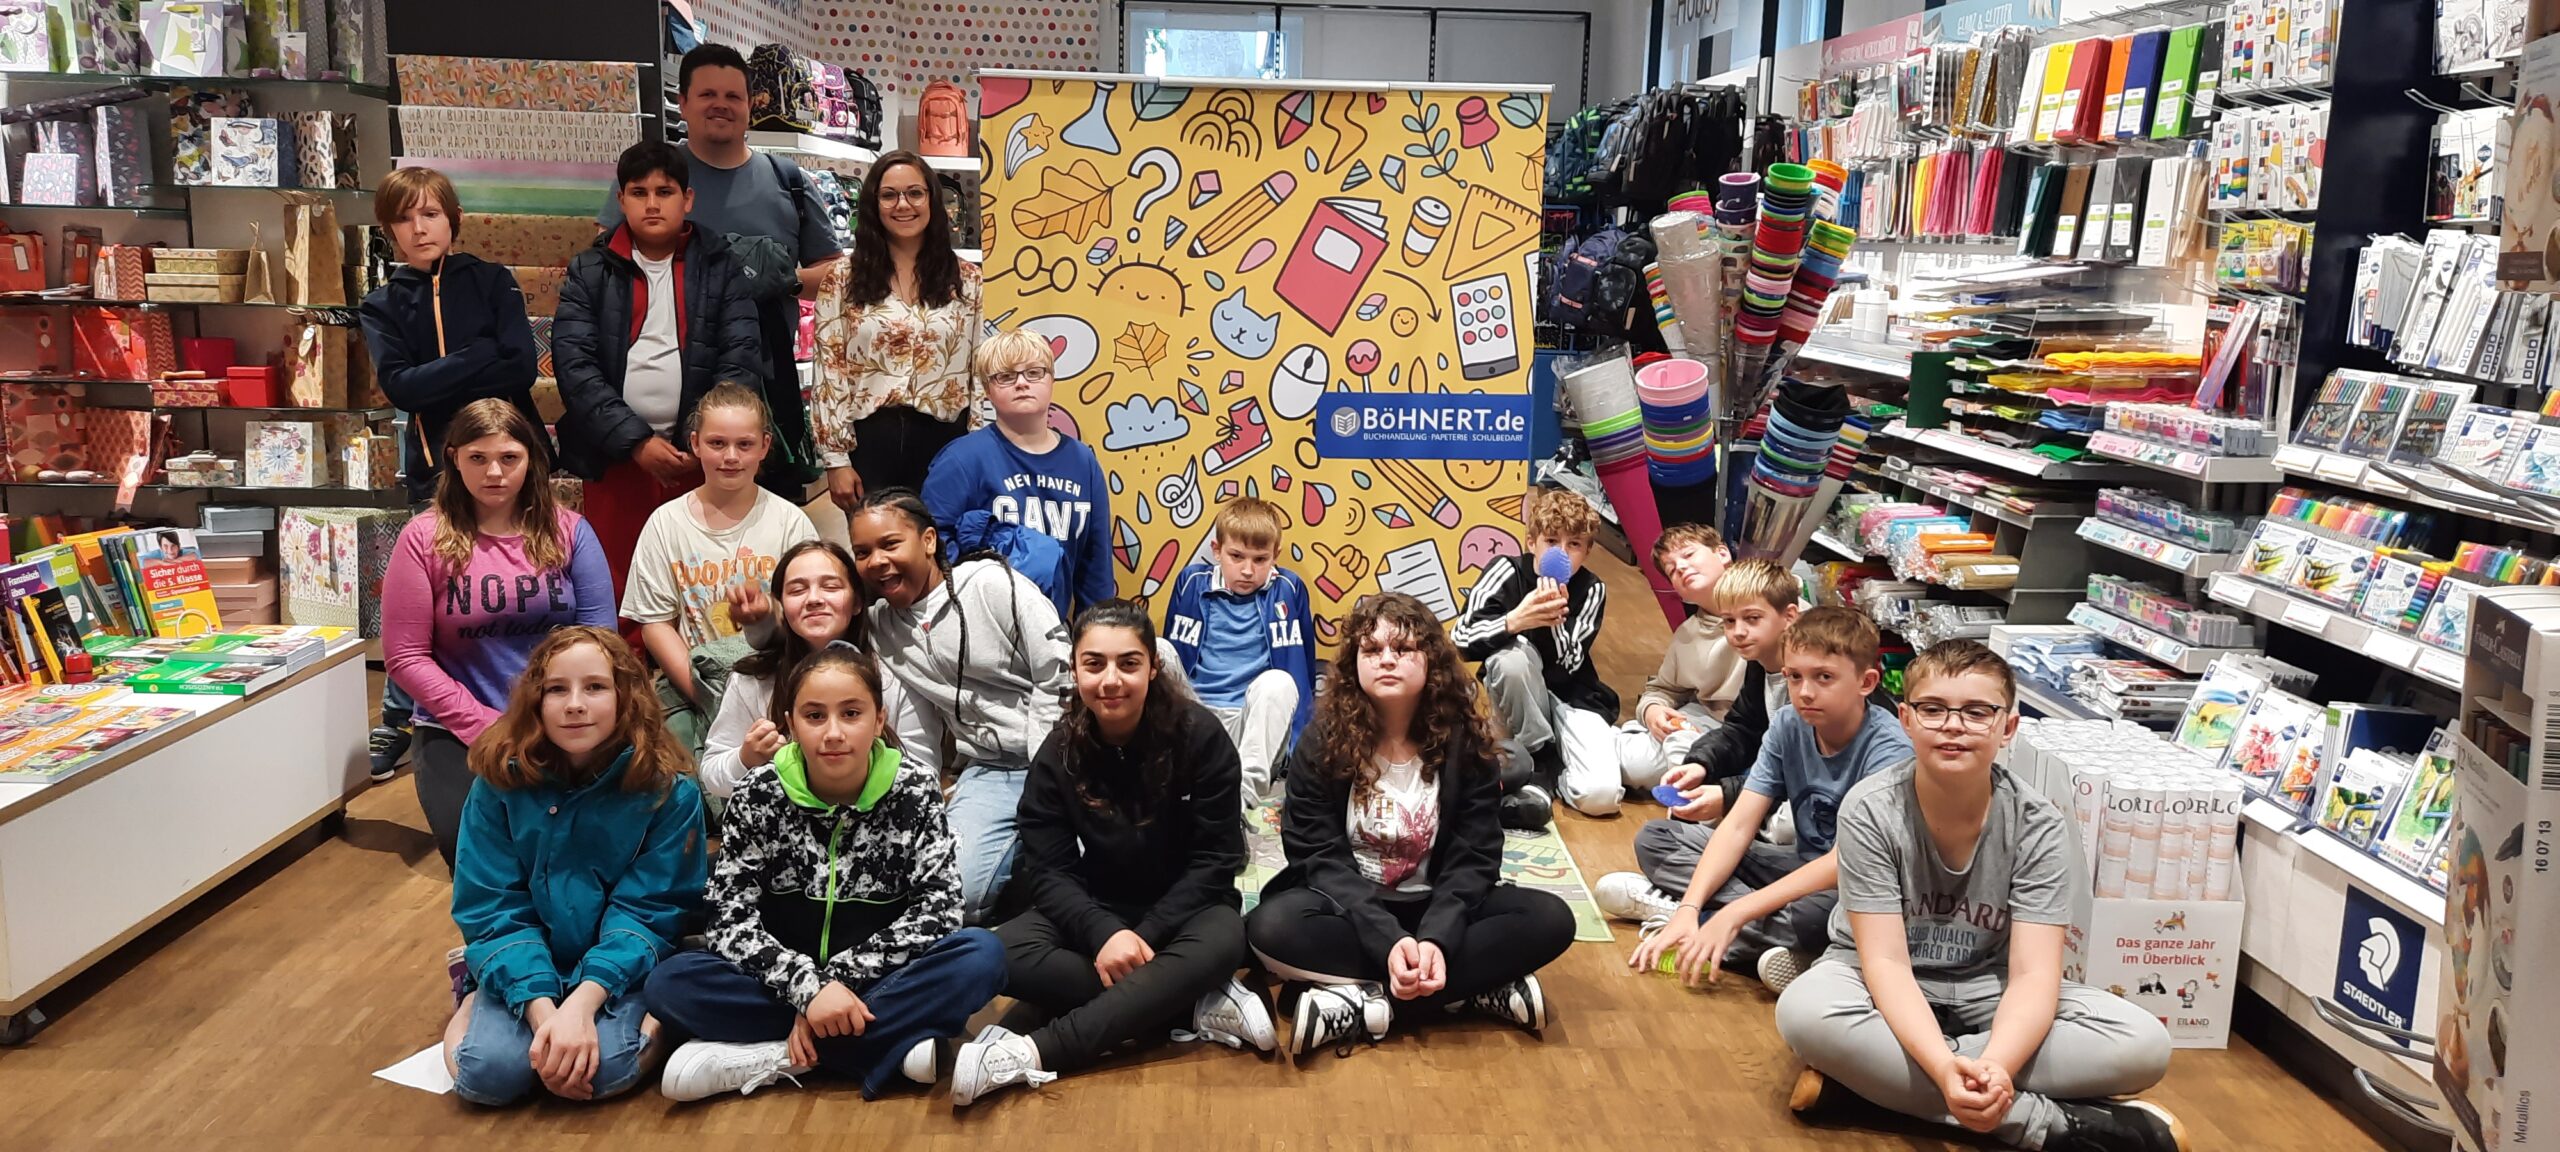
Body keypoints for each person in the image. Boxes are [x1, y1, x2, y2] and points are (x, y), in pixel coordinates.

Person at [1778, 640, 2184, 1152]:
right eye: (1933, 709)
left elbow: (2034, 974)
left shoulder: (2038, 824)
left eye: (1976, 712)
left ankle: (1873, 1087)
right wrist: (1945, 1069)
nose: (1953, 726)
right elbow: (1886, 963)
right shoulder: (1871, 809)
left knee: (2142, 1044)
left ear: (2007, 727)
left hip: (1990, 987)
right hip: (1871, 978)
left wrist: (1995, 1065)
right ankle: (2041, 1123)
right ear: (1906, 720)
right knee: (1804, 1012)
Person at [644, 645, 1007, 1102]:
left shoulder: (914, 789)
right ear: (791, 724)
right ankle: (883, 1047)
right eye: (815, 716)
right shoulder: (758, 793)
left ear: (879, 720)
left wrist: (837, 982)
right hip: (781, 980)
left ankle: (782, 1055)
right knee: (669, 983)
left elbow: (940, 911)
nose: (833, 732)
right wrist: (808, 990)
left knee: (982, 956)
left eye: (851, 713)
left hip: (878, 978)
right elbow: (729, 920)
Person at [957, 601, 1274, 1105]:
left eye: (1128, 663)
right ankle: (1188, 1002)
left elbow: (1217, 860)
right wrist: (1104, 932)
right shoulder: (1059, 751)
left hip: (1189, 912)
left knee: (1225, 942)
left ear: (1153, 667)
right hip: (1098, 908)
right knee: (999, 953)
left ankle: (1032, 1051)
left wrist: (1141, 937)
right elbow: (1049, 871)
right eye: (1094, 664)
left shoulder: (1201, 737)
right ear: (1075, 669)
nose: (1111, 680)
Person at [1246, 592, 1574, 1058]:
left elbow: (1475, 855)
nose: (1386, 660)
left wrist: (1438, 938)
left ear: (1431, 661)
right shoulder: (1323, 740)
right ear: (1354, 663)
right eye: (1371, 649)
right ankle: (1469, 993)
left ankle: (1362, 1004)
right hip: (1350, 909)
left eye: (1402, 649)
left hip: (1436, 904)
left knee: (1550, 919)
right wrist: (1387, 940)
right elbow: (1316, 855)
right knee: (1270, 927)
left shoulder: (1464, 742)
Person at [443, 626, 707, 1106]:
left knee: (606, 1070)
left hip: (618, 967)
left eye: (595, 687)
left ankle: (655, 1018)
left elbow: (651, 911)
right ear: (535, 701)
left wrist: (584, 1003)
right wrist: (545, 1016)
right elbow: (490, 906)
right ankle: (474, 990)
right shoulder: (499, 783)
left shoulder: (669, 791)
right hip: (527, 955)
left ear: (626, 697)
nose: (575, 705)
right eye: (557, 690)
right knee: (486, 1077)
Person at [360, 166, 554, 782]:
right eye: (405, 218)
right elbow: (401, 387)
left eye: (430, 214)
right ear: (389, 229)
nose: (420, 228)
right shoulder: (382, 304)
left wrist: (440, 374)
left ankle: (530, 699)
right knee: (431, 600)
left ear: (453, 218)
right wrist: (477, 355)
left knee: (521, 580)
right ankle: (404, 720)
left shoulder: (491, 281)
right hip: (434, 467)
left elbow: (520, 367)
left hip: (514, 457)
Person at [1622, 607, 1913, 992]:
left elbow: (1843, 863)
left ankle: (1705, 923)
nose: (1805, 691)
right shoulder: (1788, 723)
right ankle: (1722, 927)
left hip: (1855, 884)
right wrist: (1691, 905)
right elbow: (1739, 824)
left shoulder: (1890, 749)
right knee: (1657, 838)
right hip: (1798, 866)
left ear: (1866, 682)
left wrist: (1737, 911)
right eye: (1794, 676)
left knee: (1820, 916)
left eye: (1824, 677)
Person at [383, 399, 617, 869]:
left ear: (531, 459)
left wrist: (552, 719)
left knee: (581, 851)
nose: (494, 472)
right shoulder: (423, 538)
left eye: (509, 457)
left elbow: (600, 642)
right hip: (458, 729)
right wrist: (485, 725)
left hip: (565, 720)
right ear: (454, 458)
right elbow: (406, 657)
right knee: (480, 856)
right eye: (478, 458)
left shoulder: (571, 532)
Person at [599, 43, 841, 491]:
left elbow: (834, 274)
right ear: (683, 102)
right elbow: (603, 266)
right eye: (707, 94)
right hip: (652, 398)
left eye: (733, 96)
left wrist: (782, 281)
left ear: (750, 106)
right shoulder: (654, 177)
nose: (721, 106)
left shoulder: (787, 181)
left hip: (763, 389)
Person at [556, 140, 767, 600]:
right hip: (614, 456)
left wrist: (699, 438)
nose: (652, 204)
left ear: (687, 199)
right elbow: (574, 367)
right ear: (621, 200)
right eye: (639, 192)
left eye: (664, 191)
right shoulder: (589, 270)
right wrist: (635, 441)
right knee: (620, 578)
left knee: (701, 576)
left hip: (699, 457)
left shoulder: (721, 266)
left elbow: (740, 356)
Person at [848, 489, 1071, 925]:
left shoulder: (991, 583)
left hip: (1065, 757)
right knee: (952, 897)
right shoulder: (881, 625)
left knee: (1104, 873)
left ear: (928, 541)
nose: (877, 561)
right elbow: (815, 627)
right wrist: (762, 623)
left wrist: (1047, 771)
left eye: (890, 544)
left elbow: (1058, 671)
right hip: (990, 770)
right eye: (862, 552)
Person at [623, 383, 818, 720]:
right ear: (695, 443)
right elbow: (656, 625)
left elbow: (807, 613)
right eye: (717, 443)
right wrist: (705, 695)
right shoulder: (665, 523)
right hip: (694, 682)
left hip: (778, 679)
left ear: (764, 446)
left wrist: (767, 615)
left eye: (744, 444)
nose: (730, 457)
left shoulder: (790, 522)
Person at [697, 540, 932, 801]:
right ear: (781, 606)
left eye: (831, 587)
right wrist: (745, 759)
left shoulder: (895, 675)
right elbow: (712, 775)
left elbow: (923, 774)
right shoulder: (753, 680)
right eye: (797, 590)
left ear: (857, 601)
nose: (814, 599)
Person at [811, 149, 983, 506]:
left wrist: (980, 446)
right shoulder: (842, 279)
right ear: (873, 204)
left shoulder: (968, 280)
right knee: (878, 541)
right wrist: (836, 458)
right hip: (869, 443)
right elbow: (829, 369)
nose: (903, 204)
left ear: (932, 199)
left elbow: (981, 368)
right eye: (889, 195)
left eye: (915, 193)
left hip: (947, 441)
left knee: (943, 539)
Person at [1451, 487, 1624, 822]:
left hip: (1571, 698)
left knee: (1600, 797)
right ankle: (1537, 767)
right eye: (1552, 541)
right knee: (1511, 658)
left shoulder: (1592, 589)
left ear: (1587, 551)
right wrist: (1516, 620)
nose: (1562, 553)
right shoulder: (1506, 571)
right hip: (1513, 698)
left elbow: (1570, 664)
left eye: (1574, 544)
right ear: (1532, 542)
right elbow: (1460, 639)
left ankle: (1569, 759)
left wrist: (1553, 619)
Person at [919, 329, 1112, 616]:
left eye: (1034, 372)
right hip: (979, 625)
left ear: (1051, 379)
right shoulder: (960, 460)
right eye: (1006, 376)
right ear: (987, 389)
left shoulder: (1082, 462)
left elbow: (1096, 569)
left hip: (1051, 627)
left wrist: (1097, 631)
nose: (1022, 383)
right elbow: (932, 551)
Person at [1159, 496, 1315, 811]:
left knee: (1279, 683)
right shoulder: (1190, 581)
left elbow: (1303, 670)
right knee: (1158, 650)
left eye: (1260, 559)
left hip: (1253, 726)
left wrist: (1300, 755)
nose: (1247, 570)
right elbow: (1174, 659)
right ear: (1217, 550)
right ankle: (1162, 774)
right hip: (1196, 718)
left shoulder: (1290, 588)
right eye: (1236, 556)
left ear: (1276, 556)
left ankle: (1239, 801)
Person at [1626, 523, 1745, 773]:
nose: (1680, 567)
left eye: (1689, 554)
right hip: (1708, 721)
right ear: (1679, 593)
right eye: (1671, 570)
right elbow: (1663, 688)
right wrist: (1652, 711)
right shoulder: (1687, 634)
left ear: (1722, 553)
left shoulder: (1774, 611)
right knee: (1636, 763)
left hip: (1760, 731)